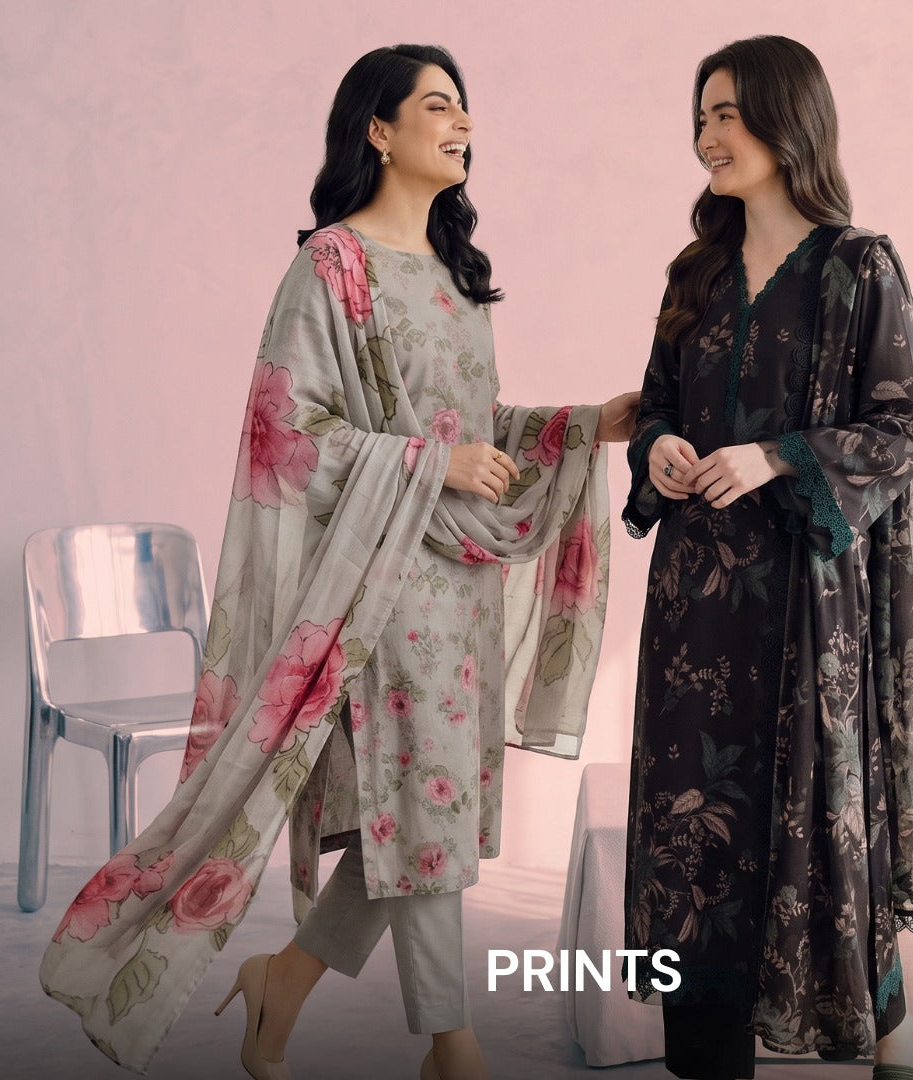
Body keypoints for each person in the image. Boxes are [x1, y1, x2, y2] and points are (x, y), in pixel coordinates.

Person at [41, 44, 637, 1080]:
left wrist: (588, 424)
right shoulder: (330, 267)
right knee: (424, 805)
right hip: (377, 587)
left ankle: (282, 983)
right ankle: (453, 1049)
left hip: (458, 586)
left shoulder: (455, 278)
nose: (464, 124)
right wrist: (432, 464)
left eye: (466, 108)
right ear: (380, 129)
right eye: (439, 106)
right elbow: (286, 434)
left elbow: (475, 430)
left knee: (419, 808)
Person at [621, 35, 913, 1080]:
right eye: (700, 117)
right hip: (693, 612)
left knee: (808, 807)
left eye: (728, 114)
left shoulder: (860, 267)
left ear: (786, 119)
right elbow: (657, 404)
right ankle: (704, 1062)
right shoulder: (696, 273)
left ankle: (889, 1028)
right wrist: (659, 448)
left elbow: (903, 429)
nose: (707, 136)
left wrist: (776, 456)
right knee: (691, 831)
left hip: (803, 608)